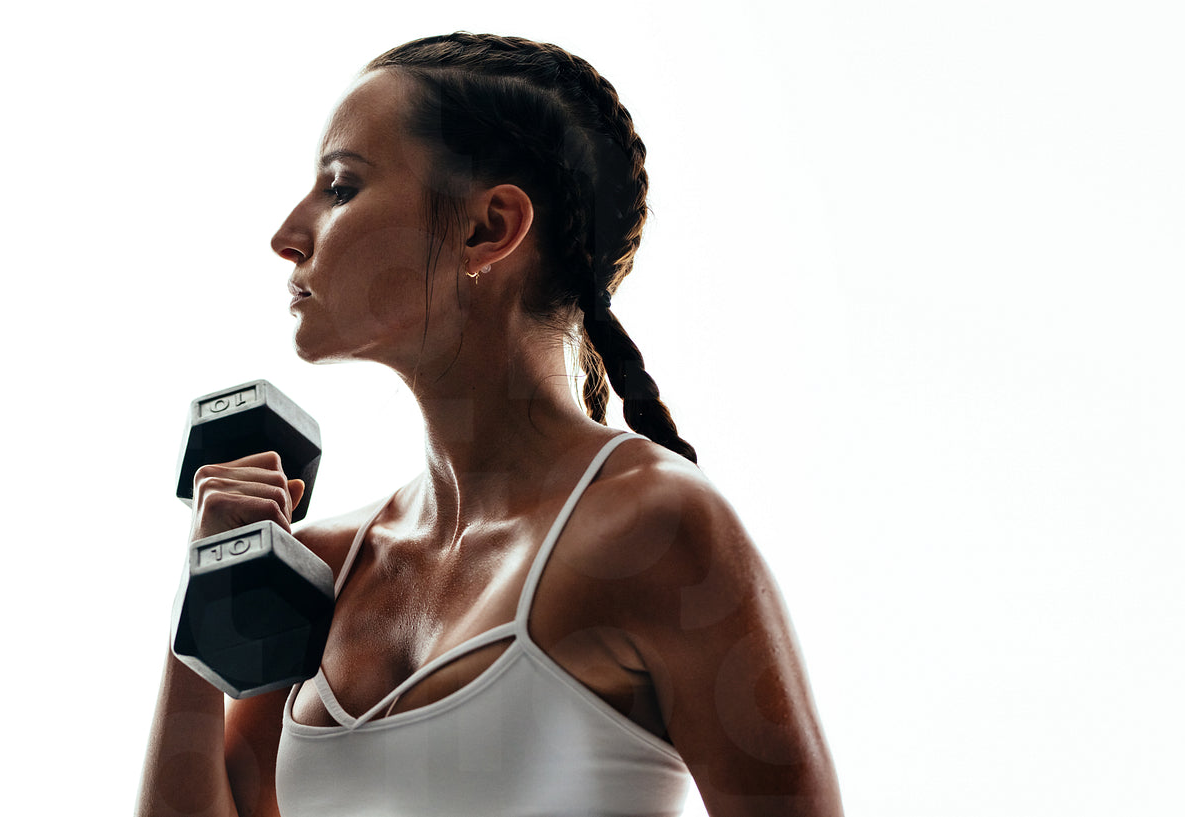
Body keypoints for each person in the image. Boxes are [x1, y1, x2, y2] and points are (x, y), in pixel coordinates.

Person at [138, 32, 841, 817]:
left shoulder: (656, 529)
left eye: (340, 188)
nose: (287, 235)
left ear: (488, 228)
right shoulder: (324, 568)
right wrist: (204, 590)